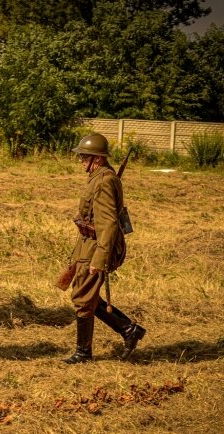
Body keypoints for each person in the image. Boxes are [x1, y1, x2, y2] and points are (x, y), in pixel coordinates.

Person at [65, 133, 145, 363]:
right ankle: (129, 330)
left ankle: (84, 353)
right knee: (84, 294)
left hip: (96, 247)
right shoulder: (97, 177)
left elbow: (109, 223)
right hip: (87, 243)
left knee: (82, 296)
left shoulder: (104, 181)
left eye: (84, 157)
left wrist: (99, 260)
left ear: (97, 159)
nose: (81, 161)